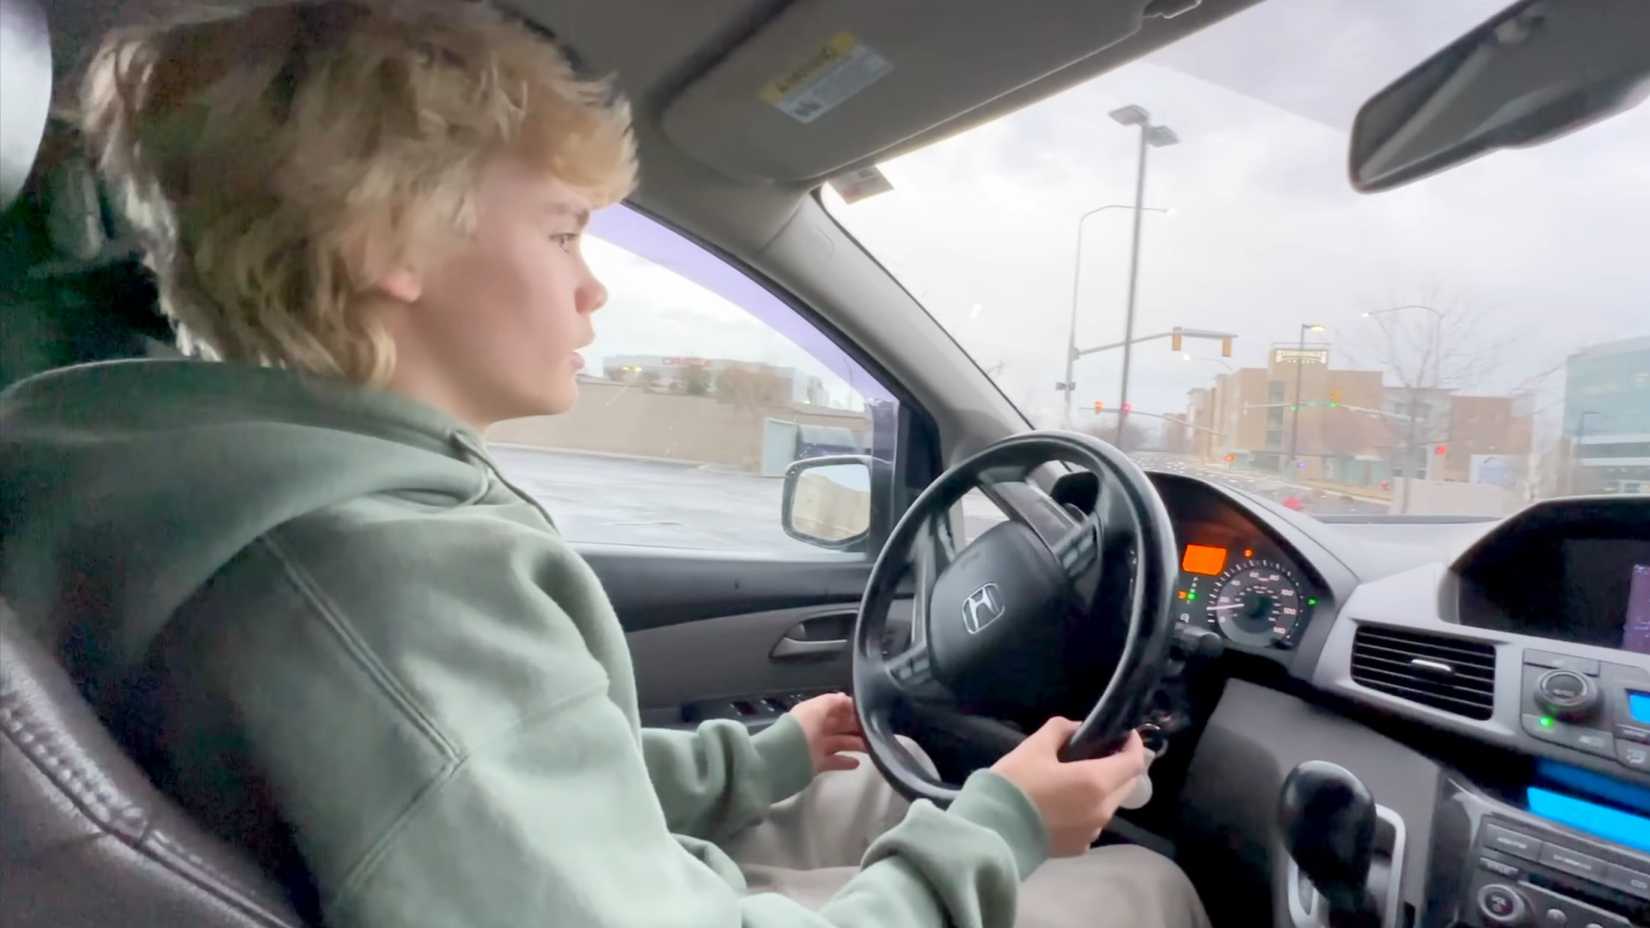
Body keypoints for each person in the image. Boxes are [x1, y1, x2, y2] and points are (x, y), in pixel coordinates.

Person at [0, 2, 1210, 927]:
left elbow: (483, 767)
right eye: (564, 230)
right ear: (390, 239)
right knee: (1141, 887)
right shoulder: (377, 575)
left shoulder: (179, 482)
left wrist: (767, 755)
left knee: (893, 797)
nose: (594, 285)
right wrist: (998, 830)